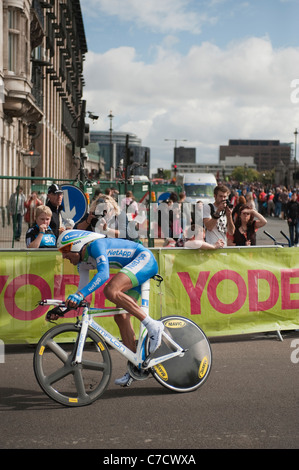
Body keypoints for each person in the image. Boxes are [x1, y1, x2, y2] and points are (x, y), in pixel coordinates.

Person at [55, 229, 163, 387]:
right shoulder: (83, 264)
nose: (64, 256)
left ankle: (154, 326)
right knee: (121, 316)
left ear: (77, 245)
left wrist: (79, 295)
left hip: (143, 259)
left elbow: (103, 274)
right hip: (132, 267)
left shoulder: (96, 246)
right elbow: (82, 292)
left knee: (111, 290)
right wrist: (62, 309)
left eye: (65, 250)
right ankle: (136, 366)